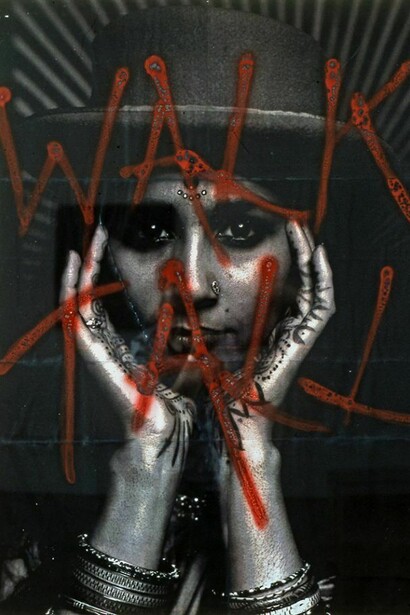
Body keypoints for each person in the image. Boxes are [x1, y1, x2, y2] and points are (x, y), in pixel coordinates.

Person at [3, 6, 340, 614]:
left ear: (306, 259)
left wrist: (250, 458)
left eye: (239, 229)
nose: (188, 284)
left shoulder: (375, 501)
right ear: (97, 254)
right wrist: (145, 468)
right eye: (149, 230)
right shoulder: (20, 479)